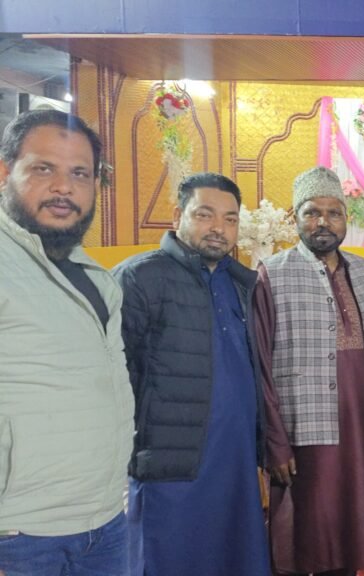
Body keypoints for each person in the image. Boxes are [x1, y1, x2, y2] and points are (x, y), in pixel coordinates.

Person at [114, 172, 270, 576]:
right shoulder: (139, 277)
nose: (219, 228)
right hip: (171, 465)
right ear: (177, 215)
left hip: (234, 462)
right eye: (205, 214)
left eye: (230, 219)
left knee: (232, 559)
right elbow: (115, 377)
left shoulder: (240, 284)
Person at [0, 110, 133, 575]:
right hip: (19, 535)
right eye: (43, 168)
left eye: (79, 173)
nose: (63, 187)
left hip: (103, 521)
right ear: (5, 172)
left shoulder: (93, 275)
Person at [255, 167, 364, 575]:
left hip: (358, 424)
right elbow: (260, 366)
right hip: (302, 431)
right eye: (312, 212)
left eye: (334, 213)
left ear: (346, 218)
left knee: (354, 526)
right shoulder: (271, 273)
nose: (323, 222)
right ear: (295, 217)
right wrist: (275, 443)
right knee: (305, 532)